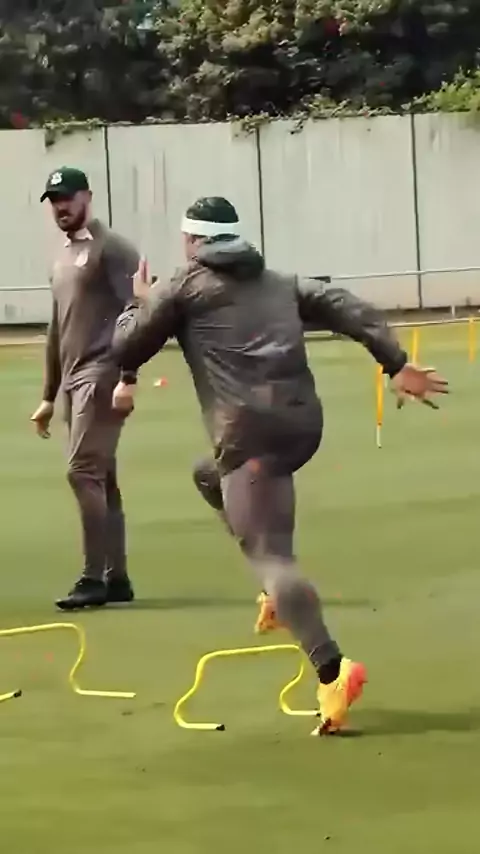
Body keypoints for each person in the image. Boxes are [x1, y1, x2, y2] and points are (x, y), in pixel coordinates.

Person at [109, 196, 448, 734]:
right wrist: (396, 363)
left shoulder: (182, 286)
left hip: (250, 436)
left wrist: (137, 303)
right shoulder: (278, 282)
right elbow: (346, 306)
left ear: (192, 241)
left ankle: (333, 670)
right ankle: (278, 595)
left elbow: (126, 346)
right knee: (208, 476)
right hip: (301, 427)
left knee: (272, 557)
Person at [31, 166, 140, 611]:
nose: (61, 206)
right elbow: (57, 328)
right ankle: (117, 578)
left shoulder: (112, 249)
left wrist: (128, 376)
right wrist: (48, 394)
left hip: (102, 373)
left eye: (68, 197)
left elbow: (137, 313)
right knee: (101, 477)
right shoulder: (62, 256)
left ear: (87, 197)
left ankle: (92, 578)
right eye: (55, 200)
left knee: (81, 472)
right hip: (73, 381)